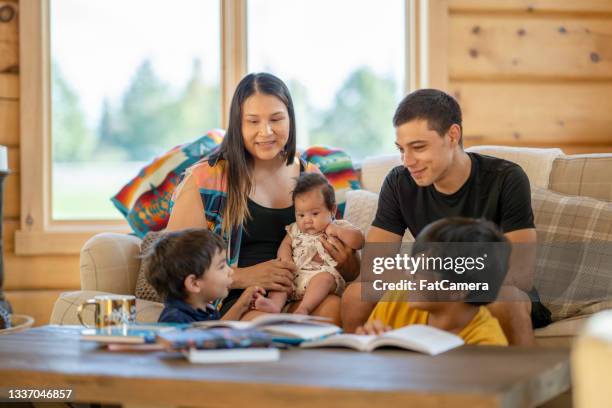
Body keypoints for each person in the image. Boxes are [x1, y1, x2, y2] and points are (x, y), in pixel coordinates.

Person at [341, 89, 550, 345]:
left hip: (492, 287)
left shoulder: (506, 178)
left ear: (452, 135)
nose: (407, 161)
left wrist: (445, 276)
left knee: (506, 300)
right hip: (432, 281)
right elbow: (375, 266)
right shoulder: (398, 182)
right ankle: (363, 372)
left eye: (418, 147)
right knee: (355, 295)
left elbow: (520, 273)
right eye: (401, 149)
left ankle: (523, 381)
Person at [166, 73, 359, 325]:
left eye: (276, 119)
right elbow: (173, 266)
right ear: (238, 124)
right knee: (266, 326)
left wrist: (346, 262)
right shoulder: (207, 179)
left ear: (290, 118)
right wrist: (245, 276)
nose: (265, 131)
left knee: (332, 310)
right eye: (253, 121)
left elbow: (349, 265)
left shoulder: (311, 177)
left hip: (303, 288)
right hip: (236, 297)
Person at [357, 217, 510, 346]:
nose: (408, 274)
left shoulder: (486, 345)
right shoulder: (396, 299)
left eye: (419, 271)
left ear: (458, 290)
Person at [254, 173, 364, 315]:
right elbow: (285, 245)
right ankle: (274, 305)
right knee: (280, 282)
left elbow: (359, 241)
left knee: (324, 279)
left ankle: (304, 308)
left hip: (321, 276)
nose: (307, 220)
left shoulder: (338, 226)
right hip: (296, 275)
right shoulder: (294, 229)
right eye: (301, 215)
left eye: (314, 214)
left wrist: (337, 230)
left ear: (332, 210)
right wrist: (285, 259)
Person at [144, 228, 264, 323]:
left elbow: (216, 332)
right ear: (194, 283)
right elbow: (208, 341)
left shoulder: (206, 310)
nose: (230, 271)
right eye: (221, 267)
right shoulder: (174, 319)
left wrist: (242, 304)